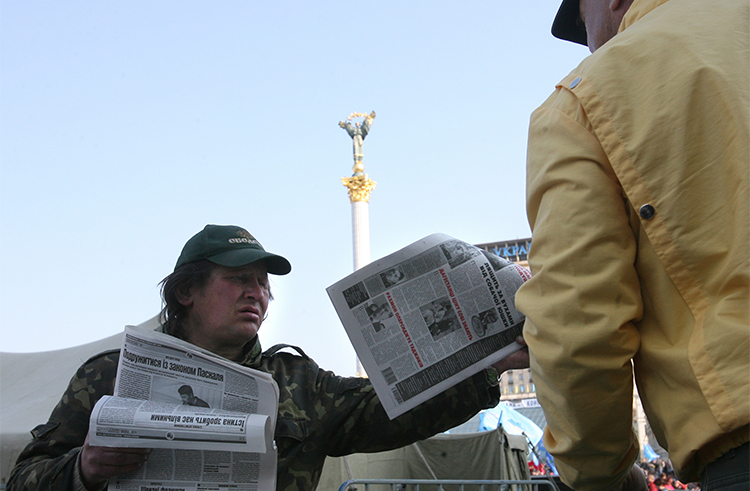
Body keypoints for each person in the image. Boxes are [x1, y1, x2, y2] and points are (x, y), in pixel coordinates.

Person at [8, 224, 530, 491]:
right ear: (187, 292)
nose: (256, 293)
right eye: (238, 279)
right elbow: (23, 479)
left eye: (262, 283)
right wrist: (85, 468)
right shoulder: (108, 375)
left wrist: (488, 367)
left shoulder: (300, 384)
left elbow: (392, 412)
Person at [516, 0, 749, 490]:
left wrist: (602, 473)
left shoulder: (583, 100)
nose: (593, 44)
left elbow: (578, 322)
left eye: (585, 27)